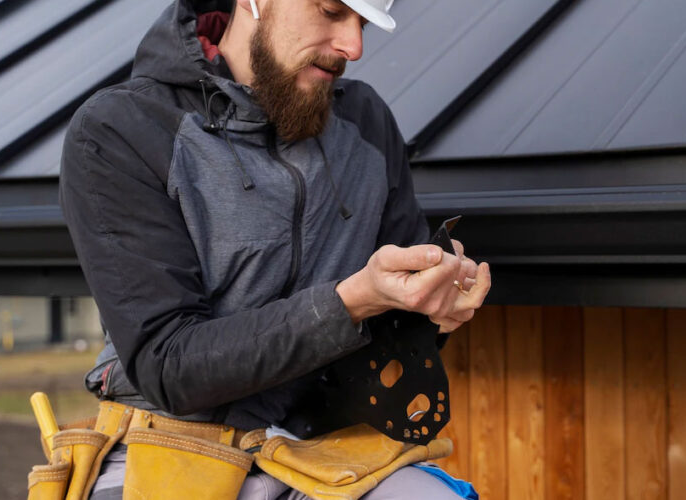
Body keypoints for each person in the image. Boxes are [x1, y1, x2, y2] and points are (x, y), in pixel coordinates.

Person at [57, 0, 491, 498]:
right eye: (331, 11)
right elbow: (169, 366)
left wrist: (432, 303)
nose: (354, 46)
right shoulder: (122, 129)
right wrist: (352, 300)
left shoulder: (365, 121)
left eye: (364, 23)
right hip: (164, 444)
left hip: (318, 448)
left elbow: (395, 326)